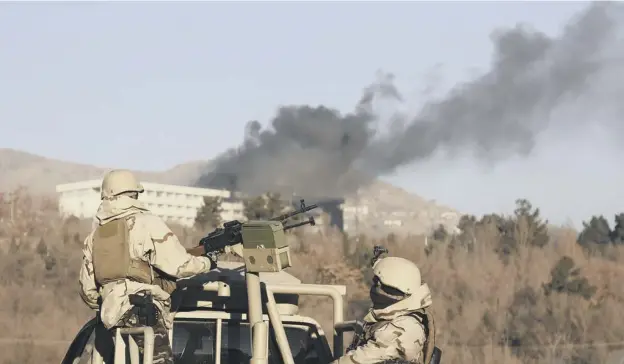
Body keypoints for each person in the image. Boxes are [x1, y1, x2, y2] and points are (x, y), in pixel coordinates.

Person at [78, 169, 217, 364]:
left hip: (109, 320)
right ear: (134, 194)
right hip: (142, 312)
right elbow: (180, 265)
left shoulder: (94, 237)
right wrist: (208, 262)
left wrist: (110, 299)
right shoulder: (146, 224)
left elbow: (88, 291)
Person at [333, 256, 436, 364]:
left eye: (380, 284)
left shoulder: (406, 328)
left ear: (396, 291)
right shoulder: (392, 318)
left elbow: (362, 359)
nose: (375, 288)